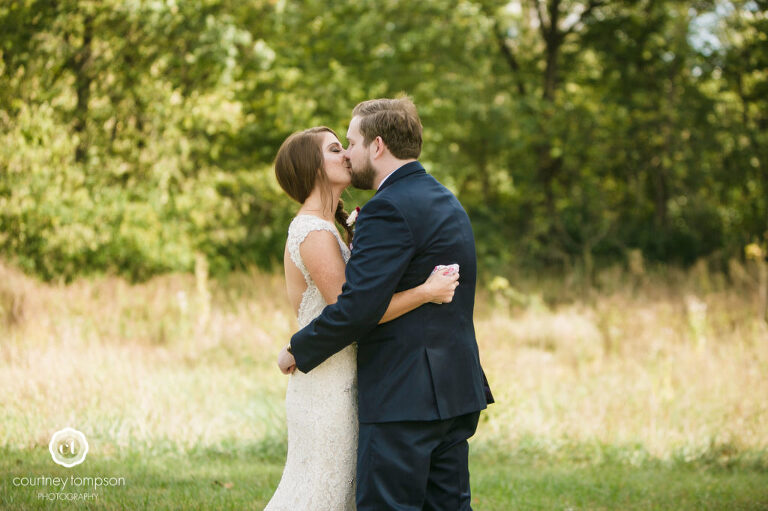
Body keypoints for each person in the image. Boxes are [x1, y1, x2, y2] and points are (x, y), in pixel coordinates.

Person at [278, 98, 493, 510]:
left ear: (377, 146)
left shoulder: (387, 208)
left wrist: (298, 348)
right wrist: (425, 292)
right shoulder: (446, 199)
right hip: (455, 388)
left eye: (350, 143)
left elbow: (357, 307)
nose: (348, 153)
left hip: (404, 396)